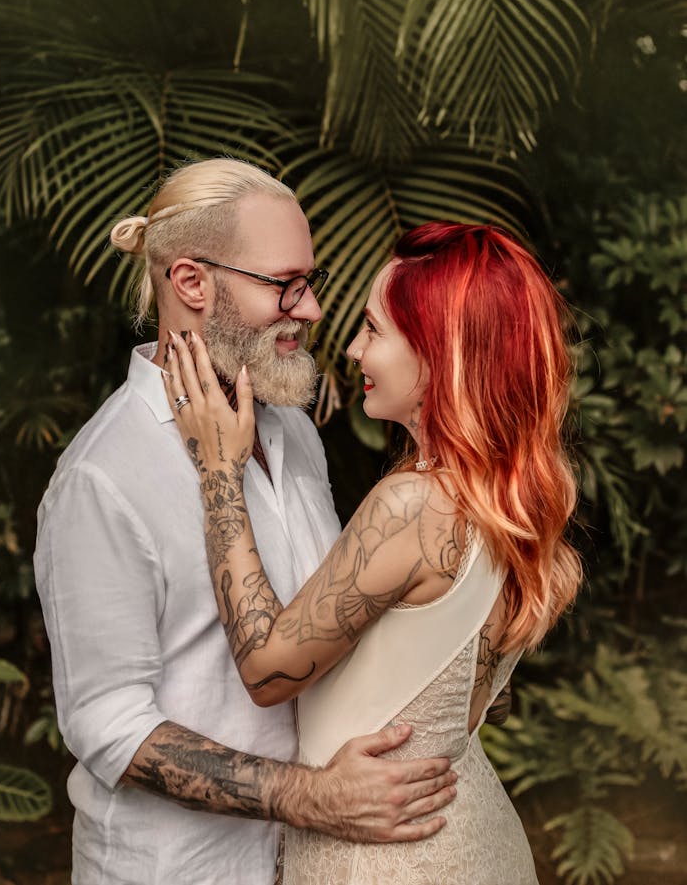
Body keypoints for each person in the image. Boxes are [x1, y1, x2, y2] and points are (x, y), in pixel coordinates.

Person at [33, 159, 460, 885]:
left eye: (312, 281)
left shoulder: (292, 429)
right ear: (192, 282)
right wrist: (310, 797)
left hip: (313, 865)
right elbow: (108, 725)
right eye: (285, 284)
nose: (314, 309)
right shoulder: (101, 478)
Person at [164, 220, 583, 884]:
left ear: (441, 352)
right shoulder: (509, 499)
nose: (354, 349)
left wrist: (220, 471)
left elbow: (270, 669)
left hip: (393, 860)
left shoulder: (414, 505)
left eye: (374, 329)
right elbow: (471, 701)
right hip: (475, 841)